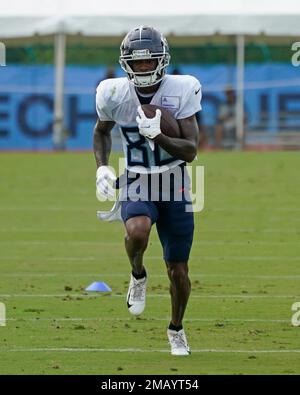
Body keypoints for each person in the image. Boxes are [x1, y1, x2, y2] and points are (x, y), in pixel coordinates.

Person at [93, 26, 201, 356]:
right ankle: (137, 274)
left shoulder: (182, 89)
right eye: (136, 63)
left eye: (148, 61)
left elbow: (191, 150)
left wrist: (161, 137)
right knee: (137, 232)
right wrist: (102, 165)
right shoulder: (112, 93)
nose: (142, 68)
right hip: (137, 177)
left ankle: (176, 329)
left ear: (161, 60)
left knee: (178, 269)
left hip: (174, 181)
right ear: (126, 63)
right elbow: (101, 132)